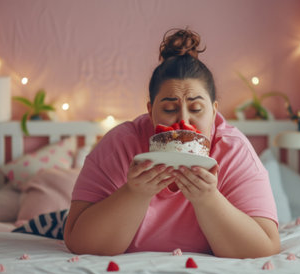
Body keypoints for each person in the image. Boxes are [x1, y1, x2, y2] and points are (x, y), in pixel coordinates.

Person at [64, 29, 280, 259]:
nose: (183, 121)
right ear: (150, 111)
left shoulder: (233, 150)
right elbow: (78, 240)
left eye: (196, 109)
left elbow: (265, 247)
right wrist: (134, 193)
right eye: (169, 109)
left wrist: (208, 199)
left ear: (214, 110)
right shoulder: (120, 144)